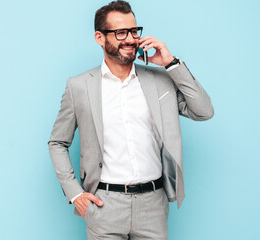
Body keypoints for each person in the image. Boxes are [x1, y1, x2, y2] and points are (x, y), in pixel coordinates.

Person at [48, 1, 214, 239]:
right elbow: (57, 143)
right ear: (100, 37)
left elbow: (203, 111)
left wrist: (171, 64)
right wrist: (75, 194)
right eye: (120, 32)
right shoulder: (80, 87)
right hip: (104, 205)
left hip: (153, 204)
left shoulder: (160, 81)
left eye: (134, 31)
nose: (131, 39)